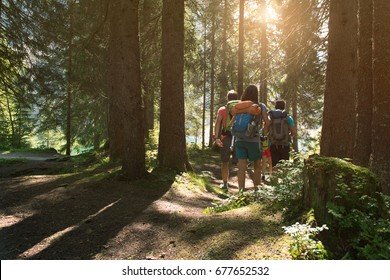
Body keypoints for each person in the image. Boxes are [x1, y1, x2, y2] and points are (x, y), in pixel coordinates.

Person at [233, 85, 270, 192]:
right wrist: (264, 130)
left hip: (239, 138)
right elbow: (267, 122)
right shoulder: (260, 106)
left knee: (241, 166)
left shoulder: (239, 105)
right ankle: (256, 190)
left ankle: (241, 191)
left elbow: (234, 119)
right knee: (257, 165)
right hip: (253, 139)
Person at [213, 90, 239, 192]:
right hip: (239, 137)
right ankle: (241, 188)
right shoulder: (241, 109)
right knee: (241, 162)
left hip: (226, 137)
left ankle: (224, 184)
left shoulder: (222, 109)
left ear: (228, 99)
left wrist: (216, 138)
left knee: (225, 162)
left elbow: (218, 123)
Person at [268, 99, 296, 167]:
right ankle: (283, 177)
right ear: (284, 107)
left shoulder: (271, 117)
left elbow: (266, 129)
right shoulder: (288, 117)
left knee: (274, 166)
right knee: (285, 166)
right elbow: (293, 132)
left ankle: (274, 178)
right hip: (285, 145)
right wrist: (289, 135)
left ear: (275, 107)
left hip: (273, 144)